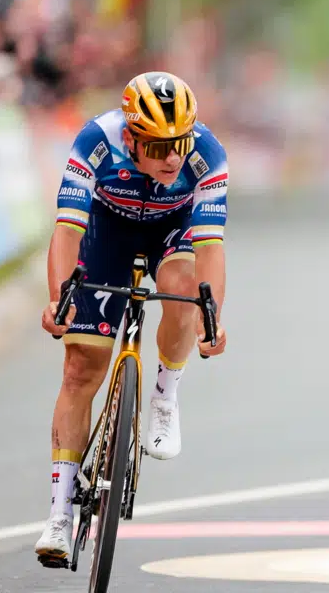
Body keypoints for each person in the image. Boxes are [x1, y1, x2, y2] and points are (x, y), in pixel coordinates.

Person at [34, 71, 229, 566]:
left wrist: (211, 319)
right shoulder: (95, 142)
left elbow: (210, 248)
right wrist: (59, 300)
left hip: (173, 228)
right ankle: (58, 516)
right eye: (159, 147)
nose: (173, 158)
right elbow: (67, 231)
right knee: (81, 369)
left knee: (184, 290)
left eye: (179, 144)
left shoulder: (207, 154)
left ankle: (165, 393)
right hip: (108, 230)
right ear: (131, 137)